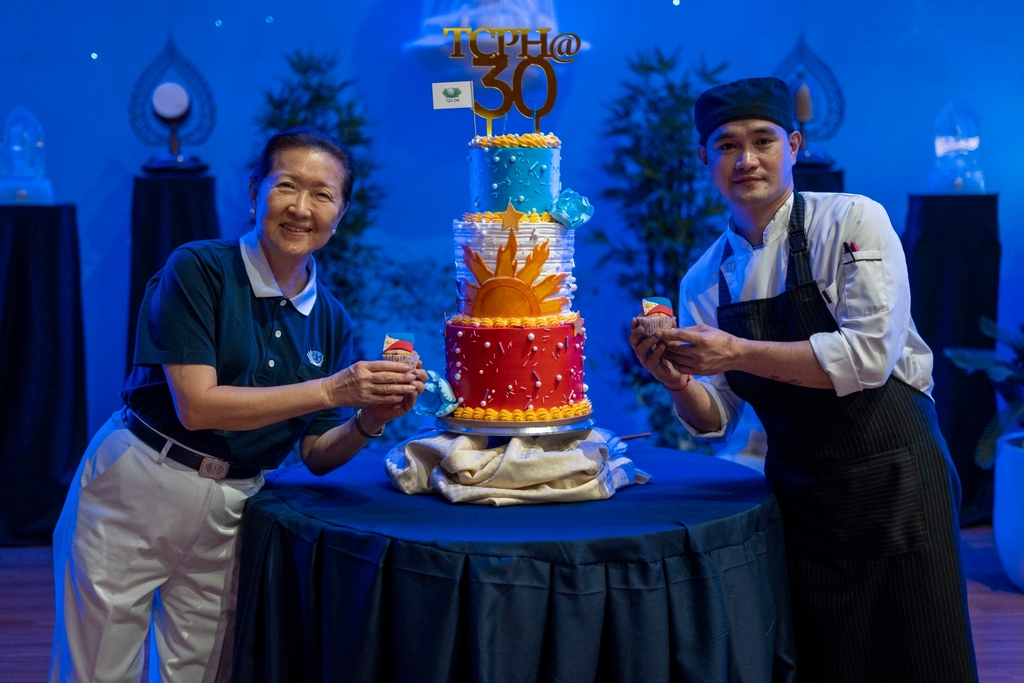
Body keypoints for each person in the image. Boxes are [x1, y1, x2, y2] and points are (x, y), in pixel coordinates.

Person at [630, 78, 978, 681]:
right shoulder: (704, 280)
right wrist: (675, 379)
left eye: (763, 140)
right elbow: (718, 419)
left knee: (923, 653)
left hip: (895, 475)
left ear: (793, 145)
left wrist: (736, 349)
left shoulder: (852, 221)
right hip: (802, 497)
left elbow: (867, 358)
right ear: (702, 159)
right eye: (726, 145)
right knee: (827, 660)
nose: (746, 160)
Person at [50, 127, 426, 682]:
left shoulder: (332, 319)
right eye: (286, 187)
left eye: (322, 195)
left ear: (341, 213)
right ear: (254, 193)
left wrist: (370, 419)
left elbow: (318, 452)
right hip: (141, 481)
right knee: (97, 668)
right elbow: (197, 407)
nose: (301, 208)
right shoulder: (199, 269)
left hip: (236, 505)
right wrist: (334, 390)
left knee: (201, 671)